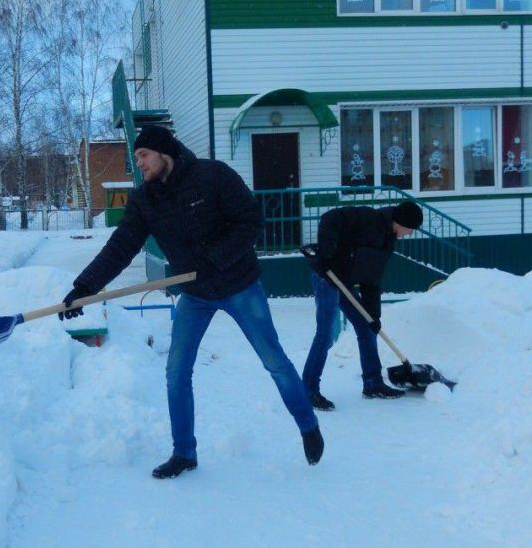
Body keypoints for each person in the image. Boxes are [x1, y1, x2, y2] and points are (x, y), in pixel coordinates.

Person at [60, 125, 324, 477]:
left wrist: (216, 258)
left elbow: (251, 221)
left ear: (164, 152)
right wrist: (85, 287)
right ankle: (184, 452)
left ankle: (307, 425)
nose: (138, 163)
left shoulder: (212, 176)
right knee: (176, 372)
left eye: (143, 155)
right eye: (136, 157)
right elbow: (121, 245)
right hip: (196, 295)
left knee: (273, 360)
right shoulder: (145, 200)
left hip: (239, 284)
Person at [302, 200, 424, 409]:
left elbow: (372, 279)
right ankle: (308, 391)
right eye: (410, 228)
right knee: (326, 334)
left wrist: (373, 316)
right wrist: (327, 254)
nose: (411, 233)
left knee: (367, 328)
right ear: (400, 221)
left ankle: (373, 383)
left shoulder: (388, 240)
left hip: (345, 280)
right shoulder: (368, 218)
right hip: (327, 275)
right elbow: (329, 219)